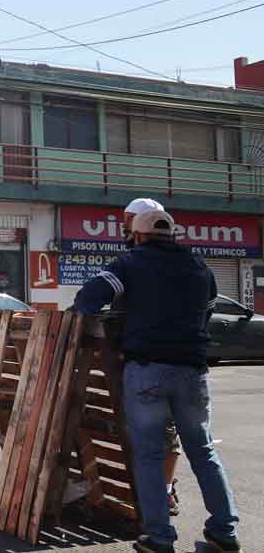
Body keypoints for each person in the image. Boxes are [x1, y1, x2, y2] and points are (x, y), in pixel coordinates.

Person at [74, 209, 239, 553]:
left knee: (149, 455)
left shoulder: (130, 263)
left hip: (147, 369)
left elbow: (89, 298)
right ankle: (224, 532)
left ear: (137, 235)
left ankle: (160, 538)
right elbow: (207, 309)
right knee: (203, 451)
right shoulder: (199, 267)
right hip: (193, 372)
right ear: (172, 234)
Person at [121, 198, 184, 517]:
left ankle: (163, 496)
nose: (125, 226)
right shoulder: (136, 259)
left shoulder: (140, 261)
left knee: (163, 433)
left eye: (130, 220)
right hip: (170, 361)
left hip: (158, 361)